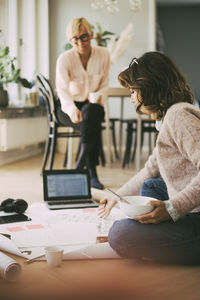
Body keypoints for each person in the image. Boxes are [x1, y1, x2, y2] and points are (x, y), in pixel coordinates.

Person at [99, 51, 200, 265]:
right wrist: (117, 196)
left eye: (135, 90)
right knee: (151, 186)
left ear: (151, 87)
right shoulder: (168, 118)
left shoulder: (178, 117)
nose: (132, 96)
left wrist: (172, 209)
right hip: (191, 202)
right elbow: (150, 169)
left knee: (119, 235)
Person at [56, 17, 110, 189]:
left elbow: (105, 85)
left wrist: (97, 96)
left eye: (84, 37)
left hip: (93, 105)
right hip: (68, 107)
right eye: (75, 39)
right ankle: (91, 173)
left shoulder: (103, 55)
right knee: (90, 122)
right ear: (70, 40)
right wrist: (71, 109)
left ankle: (78, 168)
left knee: (91, 113)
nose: (80, 42)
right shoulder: (64, 59)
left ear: (91, 34)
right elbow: (62, 90)